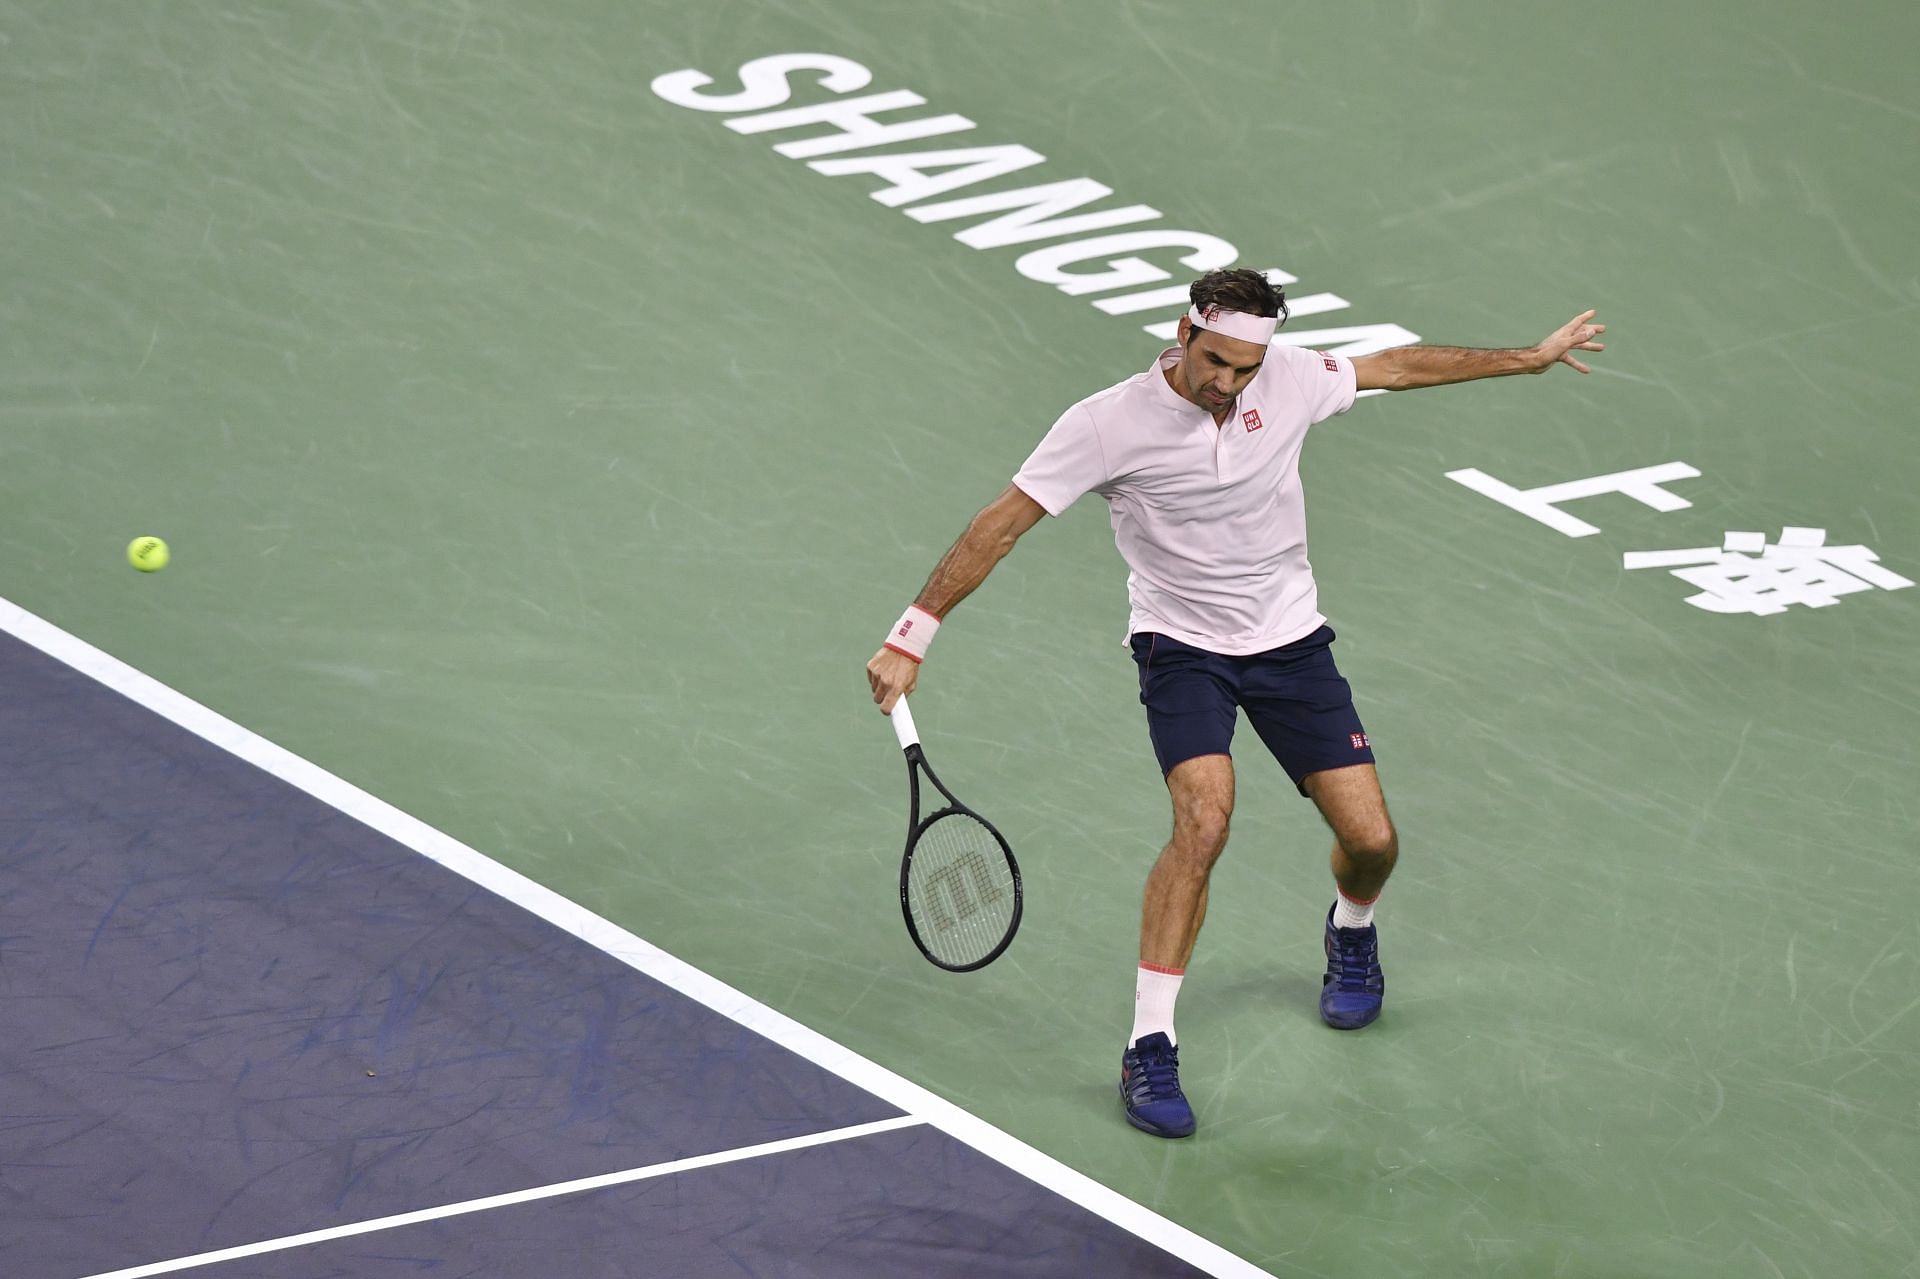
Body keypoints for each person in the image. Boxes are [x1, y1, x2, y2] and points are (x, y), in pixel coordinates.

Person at [865, 268, 1605, 1138]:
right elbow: (1002, 523)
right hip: (1181, 649)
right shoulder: (1107, 423)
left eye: (1245, 367)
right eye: (1215, 360)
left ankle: (1351, 927)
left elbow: (1397, 367)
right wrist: (911, 635)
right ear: (1185, 333)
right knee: (1204, 821)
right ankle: (1149, 1046)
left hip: (1290, 642)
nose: (1228, 381)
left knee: (1372, 841)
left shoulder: (1287, 376)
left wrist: (1529, 359)